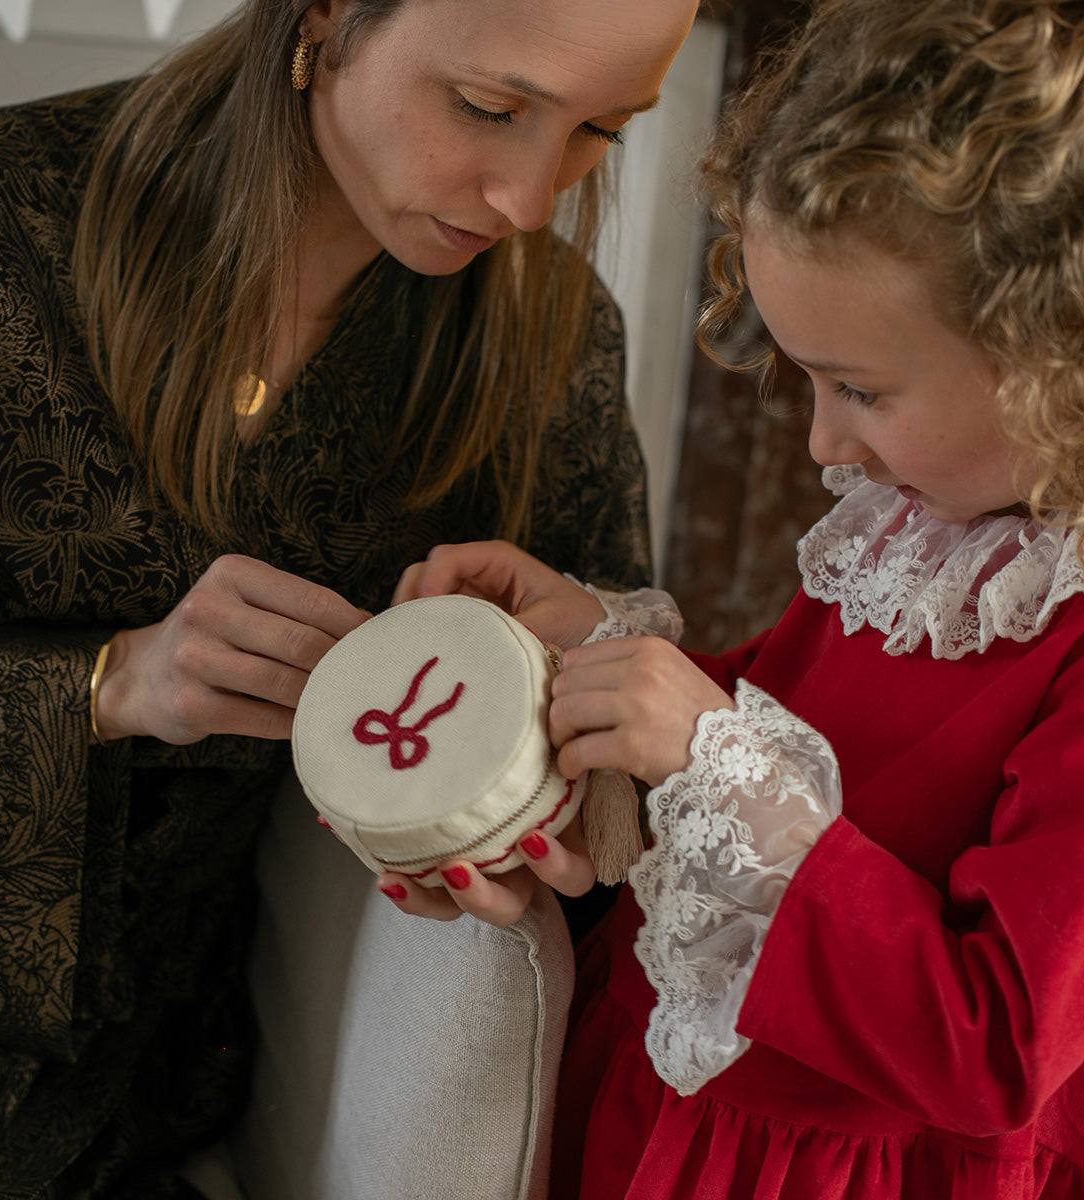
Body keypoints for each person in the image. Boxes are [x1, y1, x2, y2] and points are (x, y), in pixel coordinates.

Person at [0, 0, 700, 1193]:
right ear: (325, 15)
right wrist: (109, 680)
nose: (529, 200)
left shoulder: (549, 337)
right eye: (488, 107)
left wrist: (536, 805)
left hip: (170, 1093)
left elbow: (605, 790)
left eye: (600, 132)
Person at [385, 0, 1084, 1194]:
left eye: (860, 390)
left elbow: (998, 1044)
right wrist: (601, 650)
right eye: (807, 379)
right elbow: (793, 731)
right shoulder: (927, 524)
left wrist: (711, 761)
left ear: (1054, 359)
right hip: (662, 1110)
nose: (823, 443)